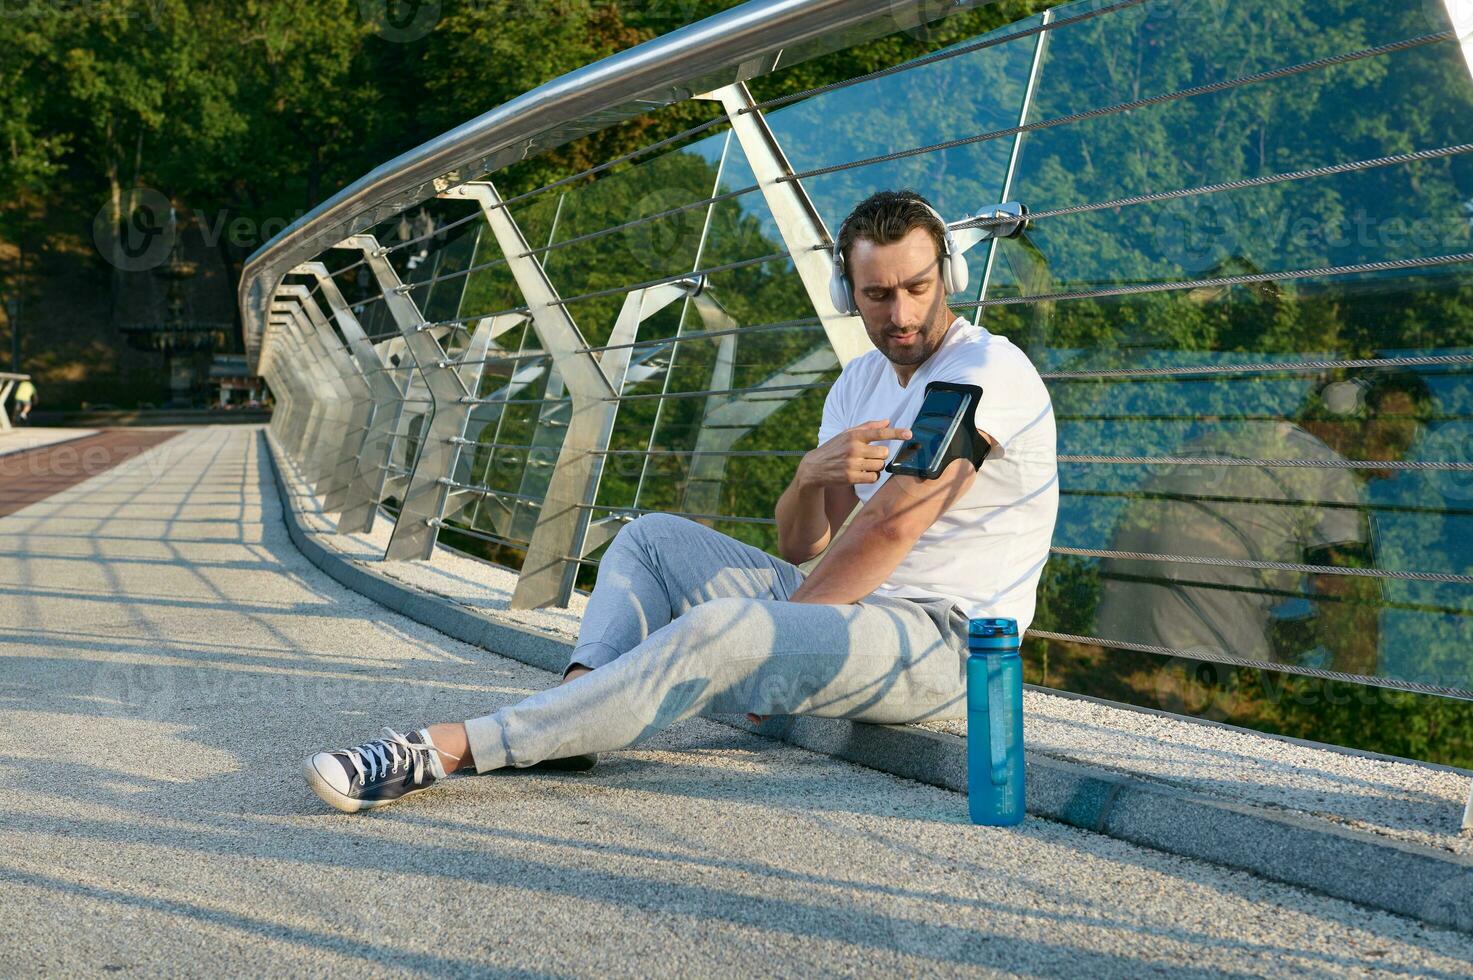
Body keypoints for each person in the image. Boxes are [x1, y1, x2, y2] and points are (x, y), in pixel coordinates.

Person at [301, 189, 1060, 813]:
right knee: (650, 538)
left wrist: (771, 633)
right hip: (853, 607)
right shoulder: (858, 381)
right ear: (846, 294)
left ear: (948, 279)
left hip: (942, 640)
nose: (900, 314)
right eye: (877, 294)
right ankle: (575, 720)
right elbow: (801, 545)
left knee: (723, 629)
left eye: (917, 289)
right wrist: (809, 475)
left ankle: (449, 748)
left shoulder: (981, 372)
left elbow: (891, 527)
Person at [1091, 372, 1433, 678]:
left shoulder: (1220, 442)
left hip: (1109, 656)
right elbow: (1356, 644)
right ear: (1346, 414)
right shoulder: (1327, 475)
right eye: (1390, 440)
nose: (1391, 469)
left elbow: (1202, 574)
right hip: (1205, 684)